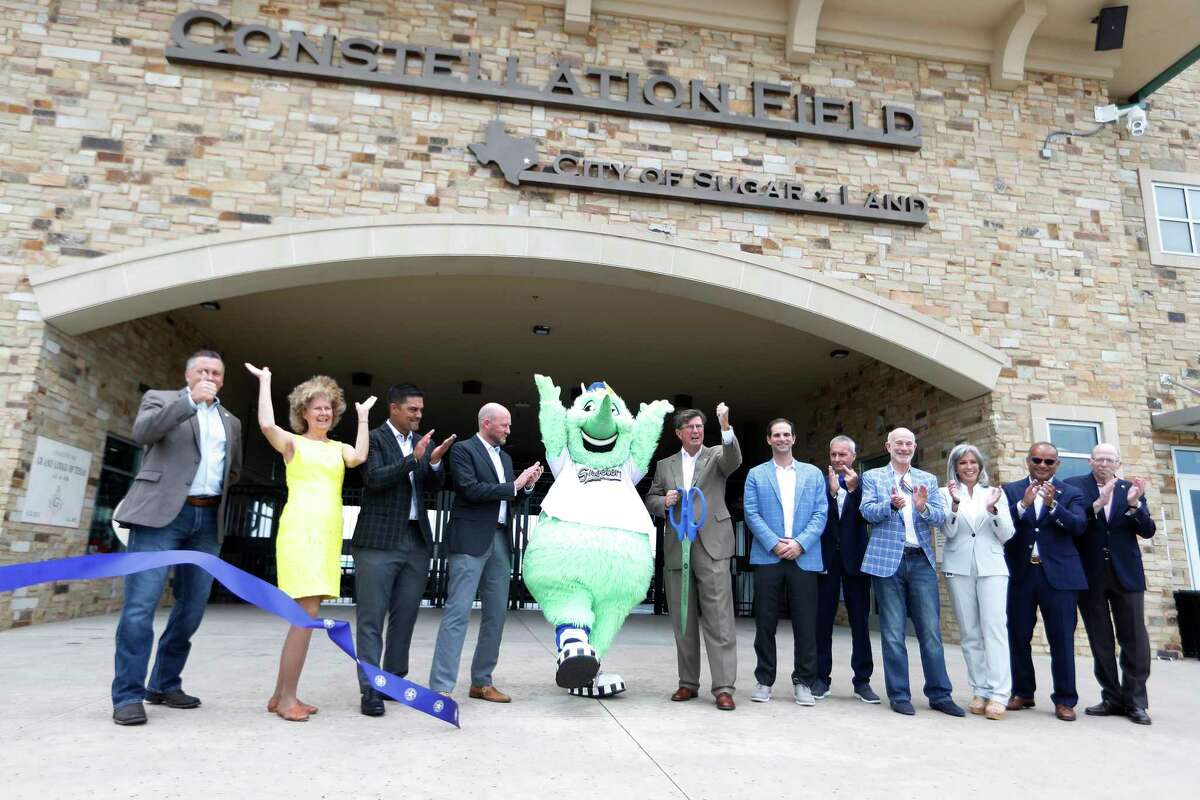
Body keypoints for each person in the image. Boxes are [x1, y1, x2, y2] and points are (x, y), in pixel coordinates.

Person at [111, 350, 243, 726]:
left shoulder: (230, 421)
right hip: (159, 518)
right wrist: (189, 402)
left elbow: (231, 471)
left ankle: (164, 683)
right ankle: (128, 695)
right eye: (202, 370)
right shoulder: (161, 399)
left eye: (216, 372)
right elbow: (143, 433)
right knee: (141, 606)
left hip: (206, 519)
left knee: (192, 607)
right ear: (187, 375)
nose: (210, 376)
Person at [246, 364, 375, 722]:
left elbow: (360, 457)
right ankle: (288, 699)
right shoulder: (293, 443)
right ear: (303, 412)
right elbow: (267, 426)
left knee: (305, 614)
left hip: (328, 534)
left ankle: (278, 695)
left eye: (328, 407)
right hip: (301, 532)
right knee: (305, 616)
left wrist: (363, 417)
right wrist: (266, 382)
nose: (323, 412)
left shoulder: (339, 448)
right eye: (316, 407)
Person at [351, 383, 455, 717]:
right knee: (371, 617)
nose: (418, 415)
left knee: (406, 615)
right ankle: (370, 688)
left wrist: (435, 463)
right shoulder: (377, 438)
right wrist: (414, 460)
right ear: (393, 408)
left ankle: (394, 680)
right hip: (378, 540)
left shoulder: (421, 443)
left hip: (415, 540)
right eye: (413, 410)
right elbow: (374, 478)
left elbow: (435, 486)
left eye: (421, 410)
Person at [428, 403, 542, 701]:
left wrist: (525, 488)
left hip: (500, 543)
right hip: (469, 541)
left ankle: (481, 682)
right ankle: (441, 686)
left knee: (496, 615)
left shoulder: (504, 457)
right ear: (487, 423)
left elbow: (508, 500)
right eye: (504, 425)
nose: (508, 430)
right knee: (458, 612)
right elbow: (469, 489)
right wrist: (512, 485)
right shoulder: (463, 450)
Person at [859, 427, 962, 717]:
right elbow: (866, 512)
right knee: (892, 633)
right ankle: (900, 695)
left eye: (908, 444)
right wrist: (890, 506)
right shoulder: (873, 477)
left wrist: (922, 507)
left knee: (930, 631)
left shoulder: (927, 479)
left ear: (914, 447)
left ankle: (940, 695)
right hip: (887, 561)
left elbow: (941, 517)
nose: (904, 448)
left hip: (920, 561)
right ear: (888, 446)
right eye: (898, 443)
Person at [646, 404, 742, 710]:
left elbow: (733, 459)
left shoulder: (716, 455)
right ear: (679, 433)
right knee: (683, 619)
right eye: (691, 427)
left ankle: (724, 687)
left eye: (700, 426)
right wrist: (664, 501)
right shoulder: (665, 465)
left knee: (719, 619)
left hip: (712, 546)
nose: (697, 431)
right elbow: (651, 498)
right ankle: (687, 683)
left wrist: (725, 426)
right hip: (678, 546)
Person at [1063, 443, 1156, 726]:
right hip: (1091, 574)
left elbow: (1147, 530)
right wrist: (1098, 504)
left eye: (1109, 459)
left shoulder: (1131, 488)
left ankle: (1136, 702)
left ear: (1118, 463)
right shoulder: (1074, 486)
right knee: (1100, 640)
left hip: (1126, 573)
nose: (1104, 463)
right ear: (1090, 461)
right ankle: (1111, 697)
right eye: (1099, 459)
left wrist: (1134, 505)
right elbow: (1075, 525)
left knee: (1135, 640)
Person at [743, 418, 826, 706]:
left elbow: (821, 513)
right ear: (768, 440)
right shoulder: (756, 474)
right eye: (776, 434)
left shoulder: (813, 474)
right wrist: (776, 543)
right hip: (769, 555)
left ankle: (804, 681)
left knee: (806, 624)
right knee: (765, 622)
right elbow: (751, 513)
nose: (782, 439)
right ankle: (764, 680)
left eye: (786, 434)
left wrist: (799, 543)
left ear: (794, 438)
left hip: (804, 555)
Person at [1001, 442, 1087, 722]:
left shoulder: (1071, 493)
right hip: (1021, 574)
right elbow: (1001, 527)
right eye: (1037, 460)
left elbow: (1079, 526)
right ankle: (1023, 692)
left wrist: (1052, 506)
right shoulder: (1010, 490)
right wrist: (1023, 505)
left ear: (1057, 465)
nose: (1042, 465)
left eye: (1049, 462)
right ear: (1028, 461)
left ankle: (1064, 699)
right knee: (1018, 635)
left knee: (1061, 638)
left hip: (1060, 577)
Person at [938, 444, 1015, 720]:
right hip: (959, 567)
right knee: (970, 632)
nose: (969, 467)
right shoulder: (944, 494)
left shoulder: (994, 493)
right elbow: (947, 530)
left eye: (973, 462)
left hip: (992, 566)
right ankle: (980, 689)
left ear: (980, 466)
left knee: (994, 629)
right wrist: (955, 505)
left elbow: (1007, 534)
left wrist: (993, 510)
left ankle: (999, 693)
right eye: (962, 463)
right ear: (955, 467)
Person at [814, 434, 878, 703]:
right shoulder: (821, 484)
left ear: (853, 456)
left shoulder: (865, 485)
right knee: (822, 622)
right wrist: (830, 494)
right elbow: (816, 518)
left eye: (843, 455)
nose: (838, 460)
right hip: (827, 560)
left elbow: (868, 516)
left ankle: (862, 681)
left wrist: (853, 492)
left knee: (859, 623)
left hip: (856, 561)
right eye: (834, 455)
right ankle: (820, 678)